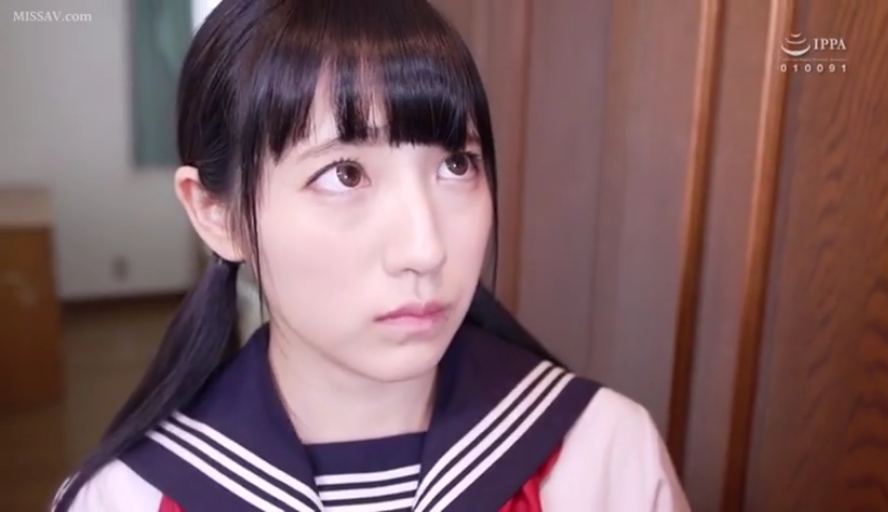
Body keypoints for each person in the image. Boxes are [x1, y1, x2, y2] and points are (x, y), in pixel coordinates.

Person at [52, 0, 690, 510]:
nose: (426, 249)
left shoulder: (602, 455)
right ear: (216, 215)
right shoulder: (125, 497)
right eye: (345, 174)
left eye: (456, 165)